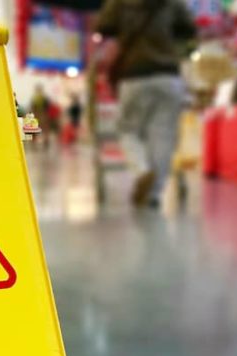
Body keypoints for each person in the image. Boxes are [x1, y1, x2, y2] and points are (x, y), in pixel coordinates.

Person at [97, 0, 196, 207]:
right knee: (162, 135)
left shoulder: (119, 3)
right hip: (168, 75)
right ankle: (153, 195)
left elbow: (101, 26)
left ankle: (142, 171)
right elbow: (190, 29)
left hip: (134, 75)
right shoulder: (171, 3)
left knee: (127, 129)